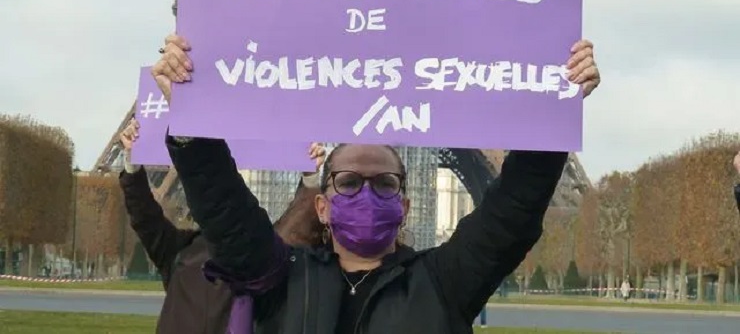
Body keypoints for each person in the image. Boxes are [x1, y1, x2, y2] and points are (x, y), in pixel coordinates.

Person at [153, 34, 601, 334]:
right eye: (348, 182)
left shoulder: (444, 281)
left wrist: (555, 108)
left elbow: (512, 214)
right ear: (322, 205)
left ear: (404, 204)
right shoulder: (282, 275)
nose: (366, 193)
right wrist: (190, 116)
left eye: (384, 183)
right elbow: (226, 210)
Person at [118, 117, 324, 334]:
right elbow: (145, 217)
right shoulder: (179, 249)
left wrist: (310, 180)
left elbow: (297, 228)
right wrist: (132, 164)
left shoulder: (261, 254)